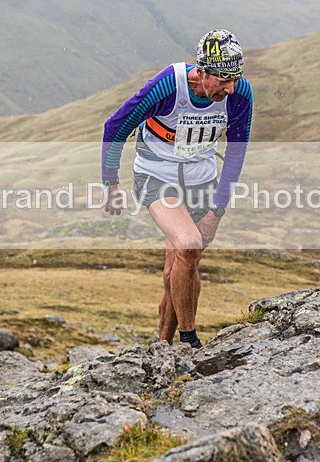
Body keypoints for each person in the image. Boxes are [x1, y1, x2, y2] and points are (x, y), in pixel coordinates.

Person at [101, 29, 253, 349]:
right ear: (202, 71)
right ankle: (189, 341)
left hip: (201, 183)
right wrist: (111, 182)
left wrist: (217, 211)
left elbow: (236, 154)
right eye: (224, 79)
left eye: (236, 78)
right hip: (156, 177)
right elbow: (116, 126)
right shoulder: (170, 85)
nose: (231, 87)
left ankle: (163, 349)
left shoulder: (240, 96)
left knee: (180, 266)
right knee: (188, 244)